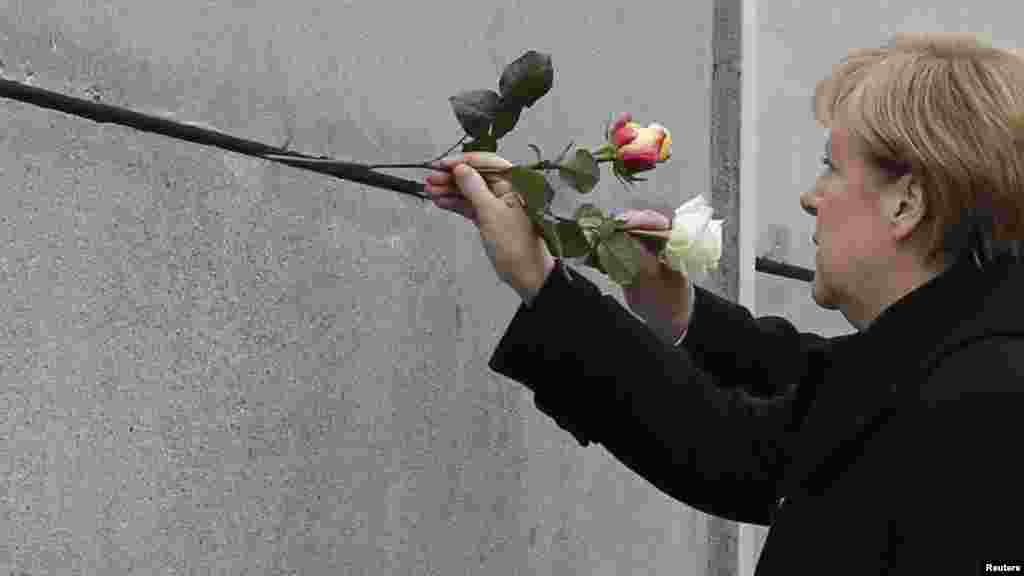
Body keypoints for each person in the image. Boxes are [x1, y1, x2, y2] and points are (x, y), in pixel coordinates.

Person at [424, 33, 1024, 575]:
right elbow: (746, 434)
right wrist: (671, 312)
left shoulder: (985, 404)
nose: (811, 198)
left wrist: (545, 284)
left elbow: (750, 447)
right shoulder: (945, 353)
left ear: (906, 204)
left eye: (831, 169)